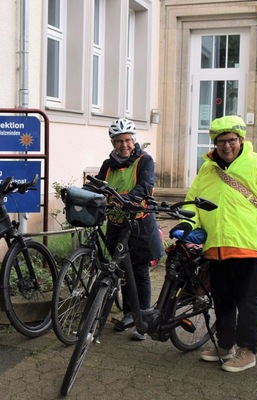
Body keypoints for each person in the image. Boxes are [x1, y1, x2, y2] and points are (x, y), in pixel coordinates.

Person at [170, 115, 257, 372]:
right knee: (222, 299)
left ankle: (248, 351)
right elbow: (193, 202)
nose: (226, 146)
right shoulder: (207, 169)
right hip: (216, 249)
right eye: (220, 141)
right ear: (214, 143)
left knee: (247, 302)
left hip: (251, 248)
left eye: (231, 140)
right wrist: (188, 225)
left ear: (241, 139)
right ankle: (226, 345)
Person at [97, 118, 165, 341]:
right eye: (118, 141)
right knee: (122, 271)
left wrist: (123, 199)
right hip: (116, 224)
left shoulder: (145, 161)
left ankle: (142, 318)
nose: (123, 145)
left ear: (134, 140)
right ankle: (129, 313)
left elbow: (145, 187)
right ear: (112, 142)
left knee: (139, 270)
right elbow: (98, 185)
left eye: (127, 140)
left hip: (139, 224)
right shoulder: (108, 165)